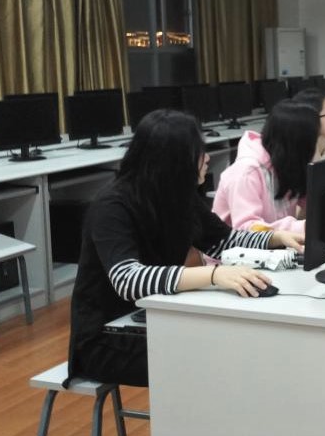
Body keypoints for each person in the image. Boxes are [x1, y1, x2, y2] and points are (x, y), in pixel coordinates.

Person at [68, 110, 304, 387]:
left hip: (158, 317)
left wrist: (277, 238)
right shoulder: (112, 206)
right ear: (174, 159)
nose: (207, 158)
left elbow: (224, 240)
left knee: (237, 343)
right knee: (220, 357)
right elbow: (128, 279)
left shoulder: (178, 195)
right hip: (107, 338)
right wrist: (214, 275)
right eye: (198, 151)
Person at [213, 99, 322, 233]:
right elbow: (247, 228)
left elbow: (309, 200)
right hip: (235, 246)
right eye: (313, 141)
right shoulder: (246, 172)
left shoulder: (287, 164)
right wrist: (298, 227)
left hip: (278, 243)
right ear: (298, 144)